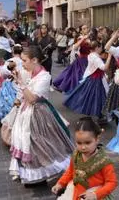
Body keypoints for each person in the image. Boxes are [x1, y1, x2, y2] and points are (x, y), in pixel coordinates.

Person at [9, 45, 74, 184]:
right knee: (26, 142)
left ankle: (43, 173)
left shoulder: (45, 76)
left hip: (40, 114)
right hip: (25, 112)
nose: (22, 64)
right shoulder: (27, 72)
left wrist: (20, 83)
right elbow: (23, 92)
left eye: (24, 61)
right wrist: (18, 99)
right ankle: (31, 174)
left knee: (40, 144)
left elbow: (32, 98)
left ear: (34, 60)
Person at [52, 117, 118, 200]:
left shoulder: (104, 161)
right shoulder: (76, 154)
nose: (83, 147)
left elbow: (112, 182)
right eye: (79, 143)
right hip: (75, 192)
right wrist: (60, 183)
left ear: (97, 139)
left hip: (94, 196)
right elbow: (70, 171)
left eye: (87, 142)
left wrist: (96, 194)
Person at [64, 41, 112, 117]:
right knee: (96, 97)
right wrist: (109, 57)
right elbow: (104, 68)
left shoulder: (91, 55)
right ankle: (96, 113)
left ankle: (94, 114)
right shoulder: (95, 57)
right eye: (101, 47)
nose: (102, 49)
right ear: (97, 48)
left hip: (93, 78)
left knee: (89, 96)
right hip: (95, 80)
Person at [0, 44, 28, 121]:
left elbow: (3, 73)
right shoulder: (24, 61)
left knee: (6, 100)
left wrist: (9, 73)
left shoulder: (10, 61)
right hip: (20, 84)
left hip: (10, 83)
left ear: (13, 51)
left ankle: (8, 116)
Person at [34, 24, 57, 91]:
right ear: (40, 30)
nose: (43, 30)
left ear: (47, 29)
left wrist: (51, 47)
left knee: (48, 72)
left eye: (45, 28)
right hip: (39, 58)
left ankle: (49, 85)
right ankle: (38, 85)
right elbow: (33, 47)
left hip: (47, 58)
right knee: (38, 72)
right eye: (42, 28)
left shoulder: (51, 39)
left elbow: (54, 46)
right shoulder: (37, 39)